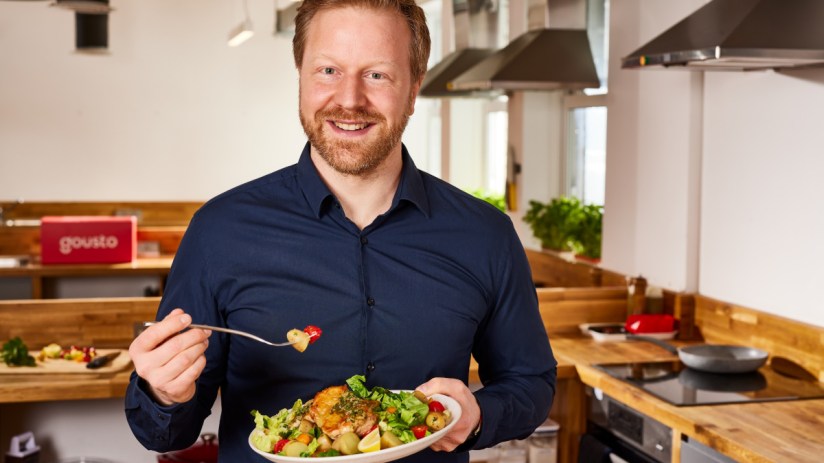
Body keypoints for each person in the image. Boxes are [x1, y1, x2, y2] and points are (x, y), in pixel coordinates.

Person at [124, 0, 556, 460]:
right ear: (301, 78)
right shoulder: (220, 231)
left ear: (413, 90)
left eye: (377, 75)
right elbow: (166, 435)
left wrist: (479, 416)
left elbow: (529, 382)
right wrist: (163, 393)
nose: (349, 99)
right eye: (328, 70)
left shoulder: (484, 234)